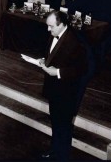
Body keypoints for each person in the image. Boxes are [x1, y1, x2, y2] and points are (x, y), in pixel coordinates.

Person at [37, 11, 88, 161]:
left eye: (51, 26)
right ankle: (54, 150)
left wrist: (58, 72)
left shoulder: (76, 41)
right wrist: (44, 59)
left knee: (64, 125)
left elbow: (82, 69)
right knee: (55, 122)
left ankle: (62, 155)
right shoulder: (54, 33)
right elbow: (52, 55)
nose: (48, 30)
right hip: (54, 89)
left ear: (62, 25)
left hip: (67, 92)